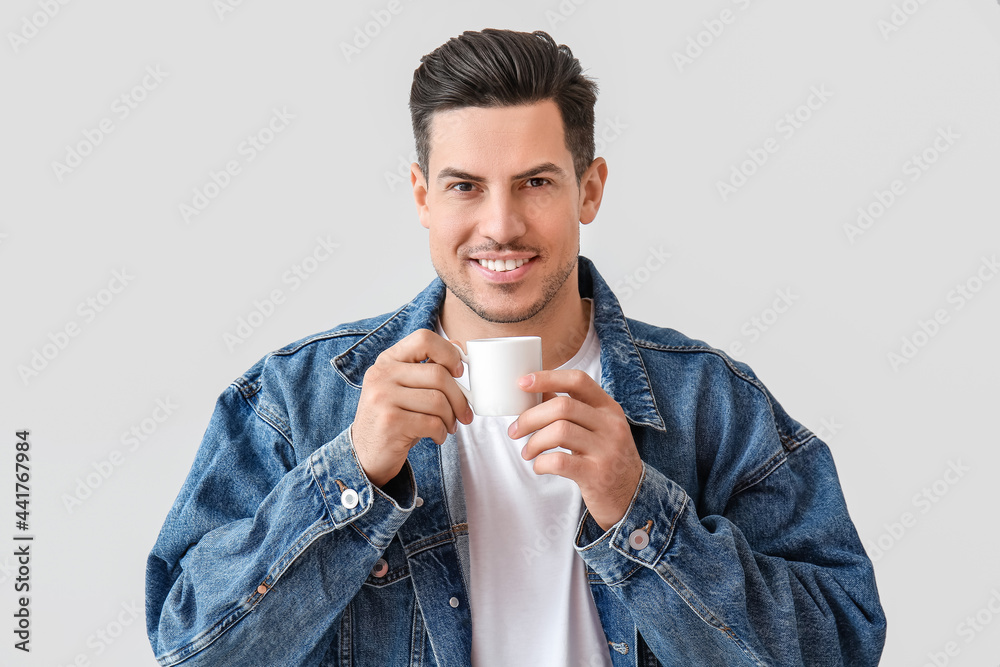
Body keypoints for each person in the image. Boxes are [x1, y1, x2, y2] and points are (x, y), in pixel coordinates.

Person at [145, 28, 886, 666]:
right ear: (421, 196)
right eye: (465, 186)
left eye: (535, 181)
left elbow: (841, 644)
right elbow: (191, 646)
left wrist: (639, 510)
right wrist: (350, 476)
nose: (500, 225)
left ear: (588, 190)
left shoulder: (713, 403)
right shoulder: (296, 398)